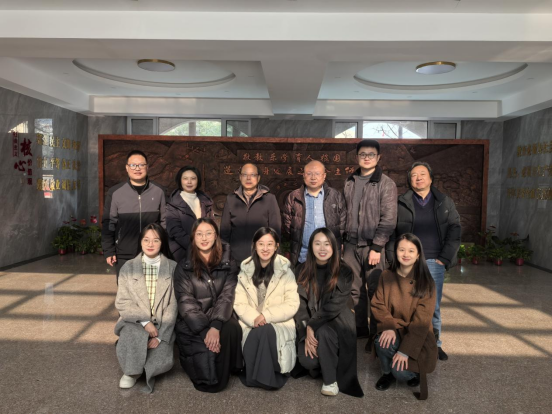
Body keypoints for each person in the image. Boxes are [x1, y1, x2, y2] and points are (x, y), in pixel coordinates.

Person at [385, 161, 461, 361]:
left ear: (431, 178)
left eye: (422, 174)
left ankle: (435, 344)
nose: (418, 178)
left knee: (432, 305)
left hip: (434, 261)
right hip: (406, 261)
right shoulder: (401, 202)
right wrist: (393, 258)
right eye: (414, 175)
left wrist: (444, 259)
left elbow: (455, 230)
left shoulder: (444, 202)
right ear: (409, 180)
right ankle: (408, 342)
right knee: (406, 303)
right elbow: (392, 232)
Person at [173, 218, 242, 393]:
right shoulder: (184, 266)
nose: (204, 238)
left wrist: (216, 326)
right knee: (207, 376)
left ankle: (231, 367)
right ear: (193, 238)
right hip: (194, 320)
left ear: (216, 236)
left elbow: (227, 295)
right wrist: (205, 331)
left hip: (219, 314)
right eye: (199, 234)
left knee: (232, 327)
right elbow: (186, 302)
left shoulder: (228, 261)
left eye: (208, 233)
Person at [293, 228, 364, 398]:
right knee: (308, 361)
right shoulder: (301, 270)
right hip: (310, 323)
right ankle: (327, 360)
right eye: (317, 244)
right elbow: (300, 306)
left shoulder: (344, 271)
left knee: (324, 332)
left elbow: (335, 306)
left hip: (337, 322)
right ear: (311, 246)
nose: (322, 248)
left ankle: (330, 381)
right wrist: (306, 329)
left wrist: (313, 325)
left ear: (334, 247)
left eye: (327, 244)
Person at [343, 139, 397, 343]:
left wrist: (377, 247)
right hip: (350, 245)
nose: (367, 158)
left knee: (376, 289)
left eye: (371, 154)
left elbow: (389, 218)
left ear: (378, 157)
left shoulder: (386, 183)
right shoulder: (350, 181)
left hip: (373, 247)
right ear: (357, 157)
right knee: (354, 289)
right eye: (363, 154)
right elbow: (344, 212)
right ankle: (360, 328)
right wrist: (342, 238)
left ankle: (376, 331)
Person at [371, 233, 437, 400]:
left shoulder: (426, 283)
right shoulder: (386, 275)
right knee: (382, 341)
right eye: (401, 250)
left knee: (400, 372)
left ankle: (411, 373)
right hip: (394, 327)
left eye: (411, 251)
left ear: (418, 255)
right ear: (395, 252)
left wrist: (405, 351)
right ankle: (387, 373)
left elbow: (421, 322)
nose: (406, 254)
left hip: (417, 334)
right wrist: (388, 326)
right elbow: (378, 303)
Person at [233, 227, 299, 390]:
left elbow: (292, 304)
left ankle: (259, 377)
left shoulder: (286, 272)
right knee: (260, 330)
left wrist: (267, 316)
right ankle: (264, 377)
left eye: (270, 244)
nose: (265, 248)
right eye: (261, 244)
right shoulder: (245, 271)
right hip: (251, 321)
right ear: (254, 245)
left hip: (278, 321)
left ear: (276, 246)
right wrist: (254, 318)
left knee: (266, 330)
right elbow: (239, 302)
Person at [114, 223, 177, 393]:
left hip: (161, 324)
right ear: (140, 242)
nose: (150, 244)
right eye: (146, 240)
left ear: (162, 242)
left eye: (156, 240)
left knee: (159, 355)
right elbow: (122, 302)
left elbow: (173, 305)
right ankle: (130, 372)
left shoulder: (172, 267)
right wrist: (145, 321)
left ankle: (145, 366)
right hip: (134, 321)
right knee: (131, 334)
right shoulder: (128, 267)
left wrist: (161, 336)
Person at [102, 150, 167, 279]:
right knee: (126, 289)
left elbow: (165, 222)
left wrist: (164, 248)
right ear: (127, 167)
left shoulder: (159, 191)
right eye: (133, 165)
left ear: (147, 167)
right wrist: (109, 250)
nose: (137, 168)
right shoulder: (115, 192)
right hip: (124, 253)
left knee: (152, 289)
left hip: (153, 251)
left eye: (141, 165)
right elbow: (108, 223)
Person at [283, 160, 346, 267]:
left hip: (328, 255)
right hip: (303, 255)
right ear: (303, 175)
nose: (313, 177)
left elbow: (342, 224)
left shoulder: (335, 196)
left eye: (317, 174)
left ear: (324, 176)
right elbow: (288, 225)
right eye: (309, 174)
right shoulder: (294, 196)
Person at [220, 163, 281, 264]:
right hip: (235, 259)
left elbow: (275, 230)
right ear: (240, 177)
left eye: (252, 175)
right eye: (245, 175)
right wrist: (225, 256)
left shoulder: (270, 199)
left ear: (258, 178)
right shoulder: (231, 199)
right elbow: (224, 232)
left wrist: (274, 257)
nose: (248, 178)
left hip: (262, 257)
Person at [166, 166, 214, 263]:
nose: (189, 182)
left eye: (193, 178)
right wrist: (196, 246)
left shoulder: (206, 201)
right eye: (185, 178)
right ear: (180, 180)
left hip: (206, 251)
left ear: (198, 180)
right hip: (182, 253)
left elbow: (212, 227)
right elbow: (176, 231)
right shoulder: (173, 203)